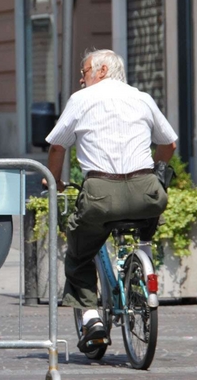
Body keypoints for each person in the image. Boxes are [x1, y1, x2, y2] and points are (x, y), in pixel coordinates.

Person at [44, 49, 177, 352]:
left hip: (101, 192)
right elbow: (169, 143)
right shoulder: (142, 97)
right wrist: (156, 173)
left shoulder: (81, 100)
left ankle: (92, 319)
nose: (81, 78)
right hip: (147, 190)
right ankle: (141, 265)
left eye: (84, 70)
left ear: (102, 70)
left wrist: (53, 180)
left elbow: (57, 147)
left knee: (79, 251)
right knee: (145, 220)